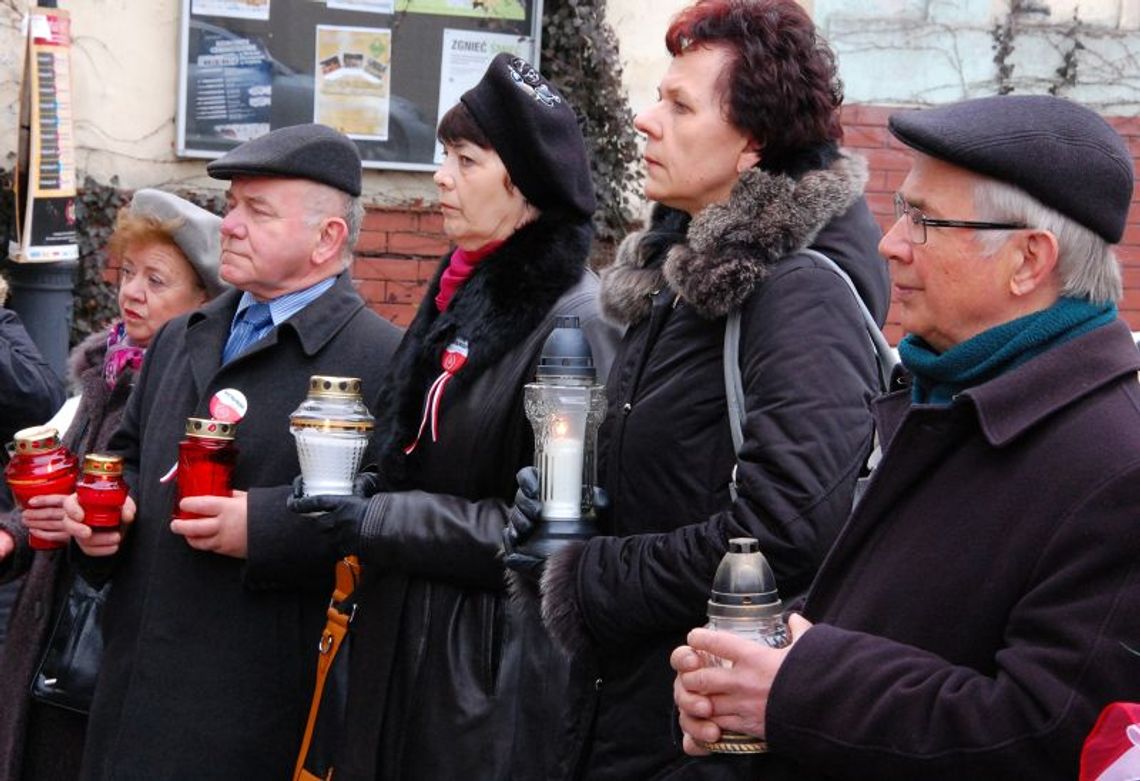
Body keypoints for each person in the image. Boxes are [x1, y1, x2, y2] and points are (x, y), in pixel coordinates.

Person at [671, 94, 1140, 780]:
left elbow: (1047, 735)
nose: (890, 243)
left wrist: (794, 689)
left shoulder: (1114, 465)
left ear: (1028, 260)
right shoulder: (953, 397)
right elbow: (895, 615)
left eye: (924, 220)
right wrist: (748, 666)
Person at [502, 1, 890, 778]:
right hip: (638, 710)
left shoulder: (795, 292)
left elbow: (783, 532)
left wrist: (585, 575)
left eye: (680, 105)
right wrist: (562, 505)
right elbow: (676, 483)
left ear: (753, 142)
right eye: (658, 98)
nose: (647, 121)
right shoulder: (686, 278)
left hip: (711, 736)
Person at [288, 54, 620, 780]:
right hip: (406, 644)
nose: (440, 176)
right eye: (444, 155)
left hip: (482, 677)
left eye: (465, 159)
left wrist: (375, 519)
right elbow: (414, 452)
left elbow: (550, 533)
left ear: (524, 185)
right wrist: (348, 488)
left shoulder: (574, 324)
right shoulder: (462, 288)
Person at [62, 125, 403, 780]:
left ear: (327, 238)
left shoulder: (381, 360)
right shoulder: (181, 335)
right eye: (233, 205)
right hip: (131, 710)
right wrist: (100, 521)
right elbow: (130, 459)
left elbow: (392, 518)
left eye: (257, 210)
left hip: (257, 722)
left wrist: (268, 526)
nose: (230, 225)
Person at [0, 189, 225, 781]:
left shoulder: (204, 394)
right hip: (51, 635)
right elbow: (60, 491)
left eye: (155, 280)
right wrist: (17, 533)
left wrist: (89, 522)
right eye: (128, 273)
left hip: (118, 647)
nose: (130, 293)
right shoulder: (105, 372)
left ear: (205, 300)